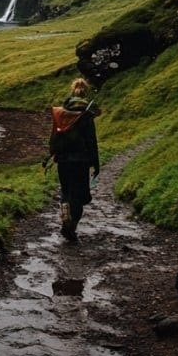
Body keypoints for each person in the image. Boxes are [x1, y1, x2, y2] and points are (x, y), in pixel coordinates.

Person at [49, 77, 100, 242]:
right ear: (85, 92)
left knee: (66, 190)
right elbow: (91, 141)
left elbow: (54, 136)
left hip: (62, 159)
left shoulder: (62, 113)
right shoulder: (86, 114)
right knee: (78, 195)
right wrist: (95, 163)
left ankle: (65, 219)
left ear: (73, 92)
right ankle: (71, 227)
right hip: (81, 160)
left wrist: (53, 154)